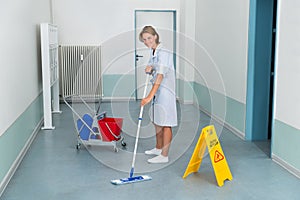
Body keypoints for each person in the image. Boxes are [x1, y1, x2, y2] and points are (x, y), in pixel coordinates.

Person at [139, 26, 177, 164]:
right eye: (144, 39)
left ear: (155, 36)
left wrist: (149, 96)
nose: (147, 41)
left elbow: (160, 75)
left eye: (149, 38)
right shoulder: (153, 51)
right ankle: (158, 148)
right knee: (157, 121)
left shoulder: (164, 51)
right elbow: (154, 68)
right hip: (158, 92)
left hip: (165, 91)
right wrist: (150, 68)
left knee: (166, 123)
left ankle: (164, 155)